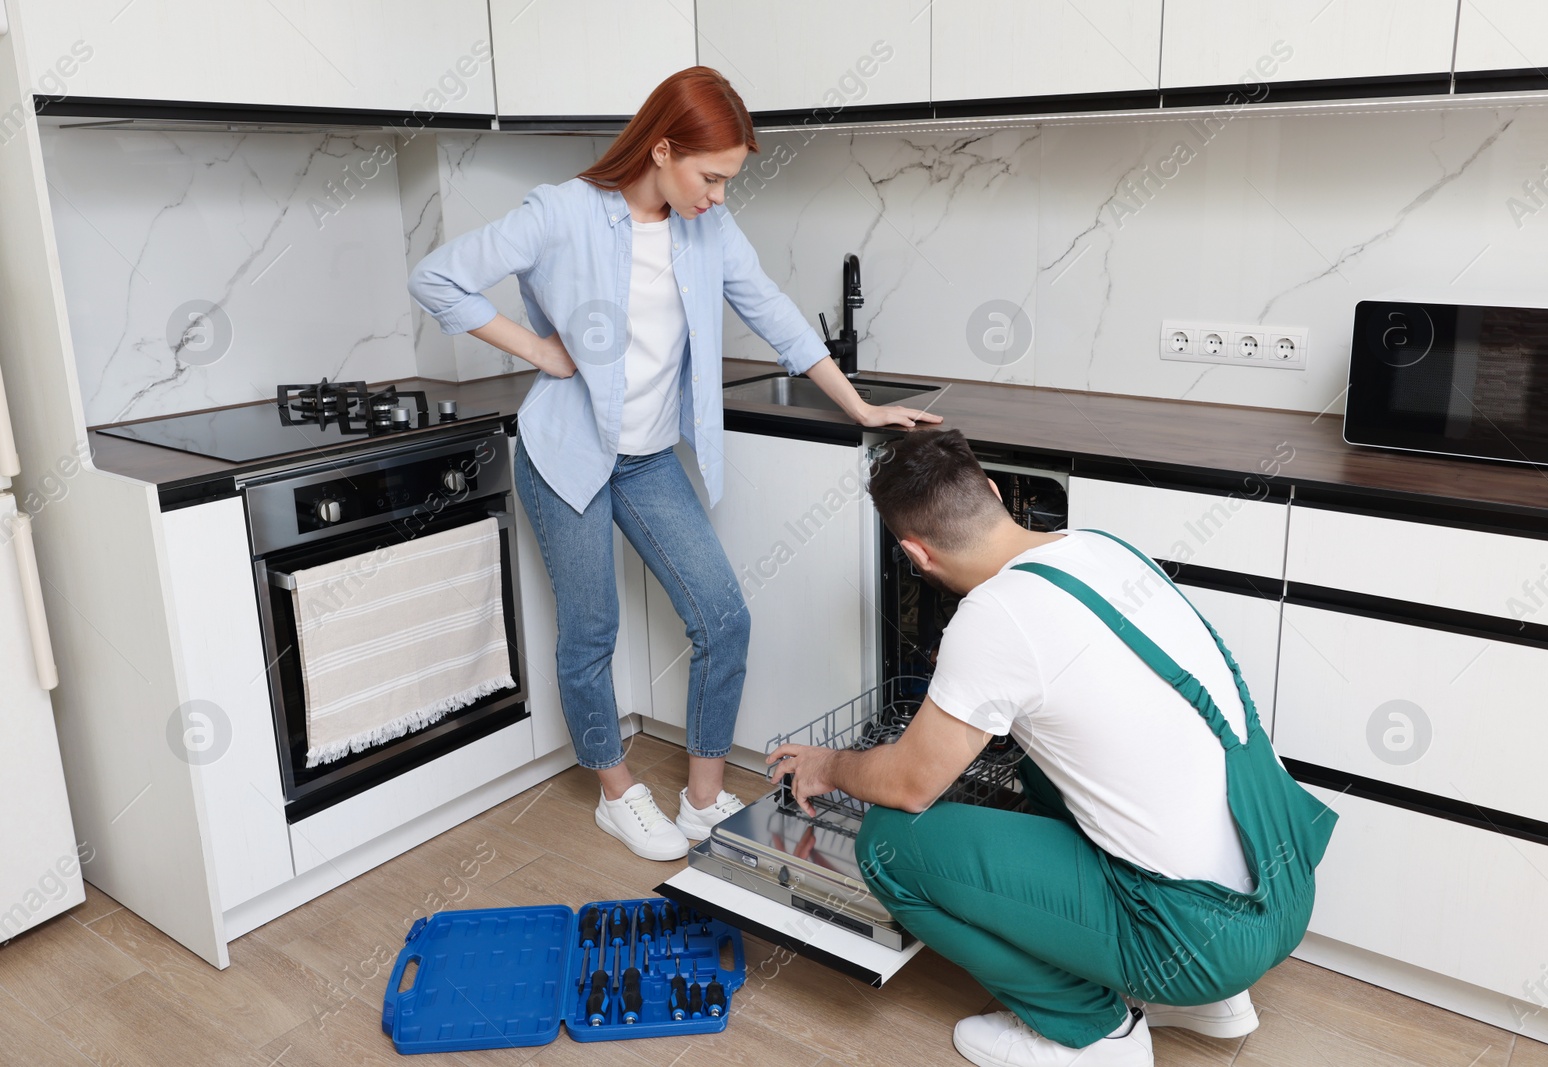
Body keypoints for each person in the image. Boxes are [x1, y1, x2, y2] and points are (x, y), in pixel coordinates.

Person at [408, 67, 940, 863]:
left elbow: (776, 314)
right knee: (591, 631)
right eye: (711, 175)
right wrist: (538, 351)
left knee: (723, 617)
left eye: (729, 180)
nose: (719, 195)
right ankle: (617, 794)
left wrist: (858, 406)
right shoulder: (562, 212)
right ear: (662, 148)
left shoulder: (707, 231)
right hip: (566, 457)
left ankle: (701, 796)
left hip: (647, 458)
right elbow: (436, 276)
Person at [767, 429, 1336, 1067]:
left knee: (887, 846)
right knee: (1041, 763)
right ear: (991, 491)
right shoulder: (1101, 548)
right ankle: (1213, 1003)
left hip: (1196, 936)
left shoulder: (992, 617)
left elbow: (909, 785)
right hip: (1282, 889)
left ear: (914, 555)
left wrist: (830, 764)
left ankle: (1096, 1033)